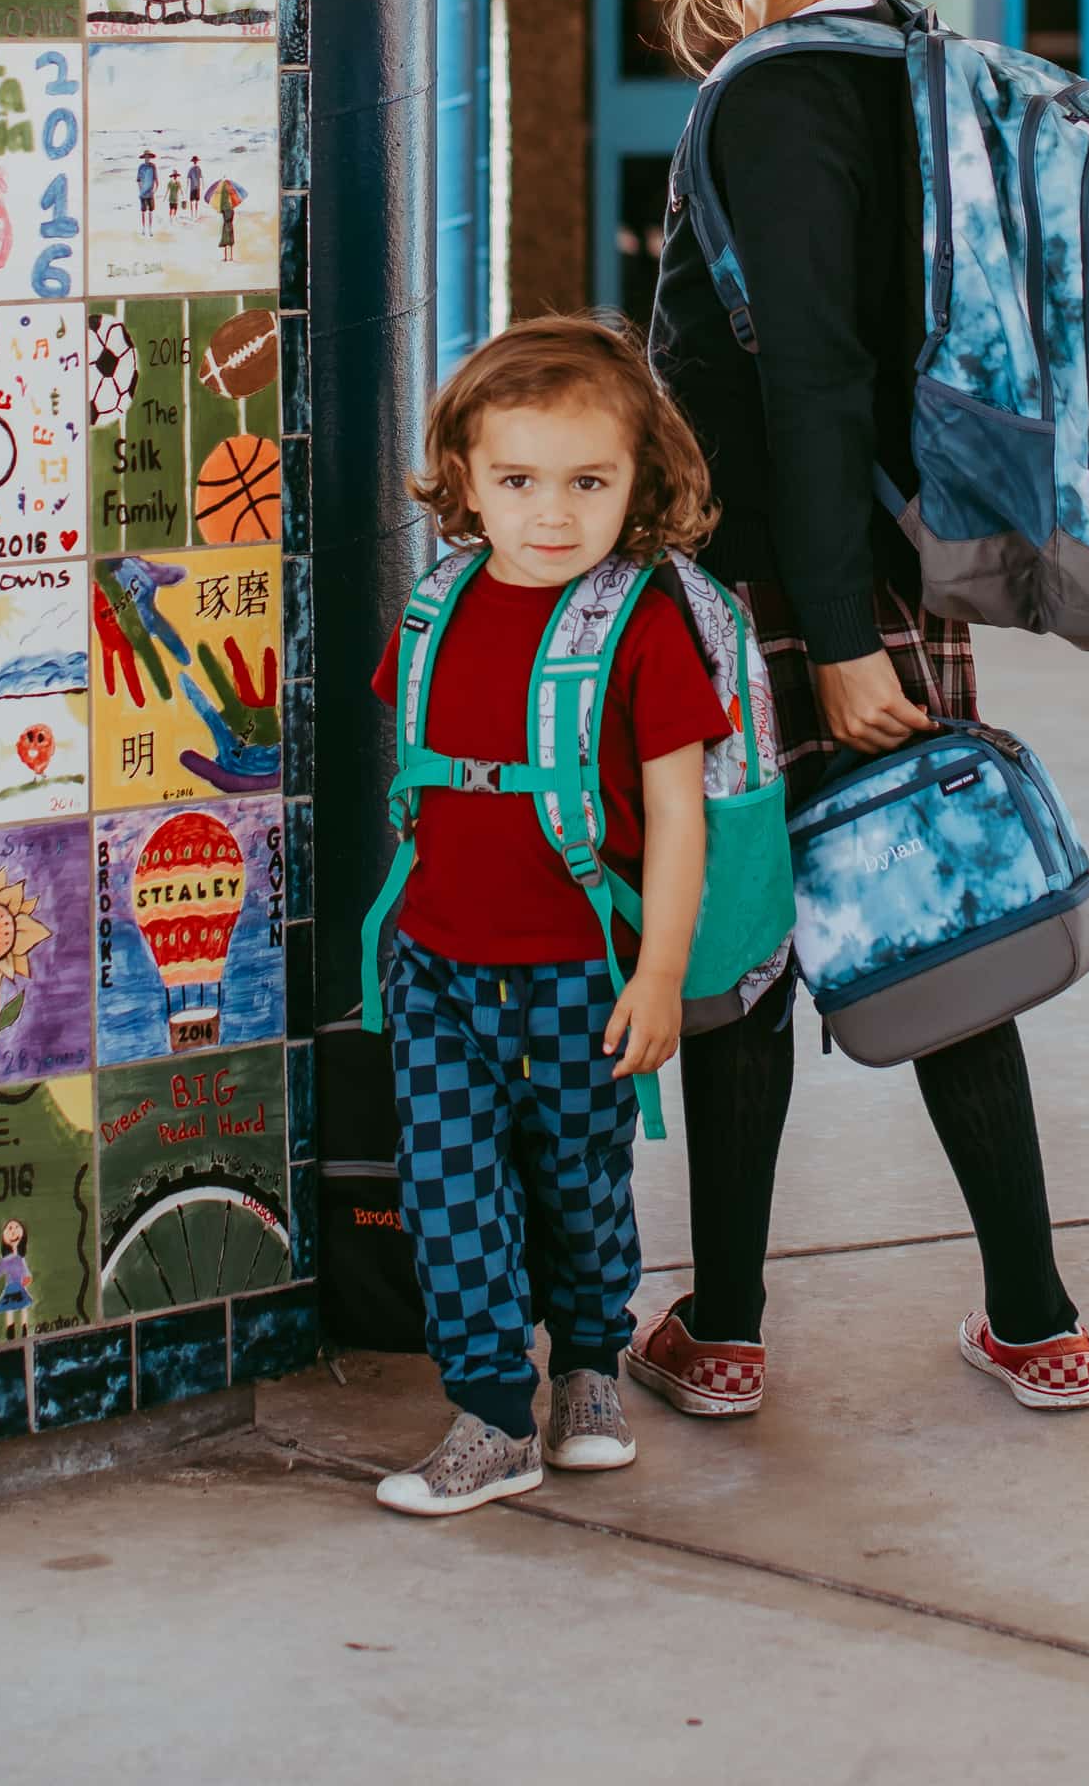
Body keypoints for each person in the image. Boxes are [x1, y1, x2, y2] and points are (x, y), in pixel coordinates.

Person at [636, 0, 1089, 1420]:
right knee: (932, 917)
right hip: (877, 570)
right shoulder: (905, 66)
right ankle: (1033, 1315)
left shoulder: (771, 96)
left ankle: (731, 1329)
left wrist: (831, 634)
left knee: (748, 946)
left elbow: (818, 375)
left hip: (787, 586)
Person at [369, 317, 731, 1517]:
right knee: (447, 1188)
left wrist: (660, 970)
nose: (551, 513)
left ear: (641, 481)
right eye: (517, 481)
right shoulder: (435, 608)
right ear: (464, 478)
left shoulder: (640, 625)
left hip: (582, 967)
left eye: (588, 482)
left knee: (578, 1180)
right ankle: (486, 1414)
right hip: (435, 966)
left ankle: (586, 1368)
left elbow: (679, 816)